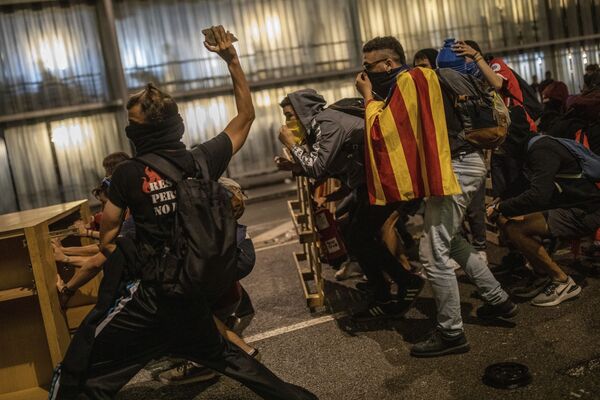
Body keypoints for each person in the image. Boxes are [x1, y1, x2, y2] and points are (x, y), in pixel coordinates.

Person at [49, 26, 317, 400]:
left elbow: (109, 240)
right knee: (226, 357)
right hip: (194, 290)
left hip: (152, 298)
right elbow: (245, 116)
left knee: (83, 366)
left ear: (136, 132)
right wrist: (232, 60)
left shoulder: (127, 173)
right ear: (175, 126)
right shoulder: (201, 159)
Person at [356, 36, 516, 357]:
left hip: (454, 168)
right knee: (452, 240)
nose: (365, 72)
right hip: (463, 164)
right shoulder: (431, 77)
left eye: (368, 66)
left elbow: (383, 132)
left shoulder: (410, 80)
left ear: (388, 63)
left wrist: (368, 98)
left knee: (432, 253)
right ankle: (499, 301)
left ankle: (452, 332)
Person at [275, 88, 423, 313]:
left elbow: (316, 166)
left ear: (303, 111)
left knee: (360, 236)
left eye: (289, 115)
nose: (286, 122)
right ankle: (382, 287)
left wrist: (291, 144)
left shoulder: (327, 124)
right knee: (354, 234)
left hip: (387, 179)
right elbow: (327, 166)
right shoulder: (319, 128)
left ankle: (403, 283)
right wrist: (295, 166)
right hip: (370, 183)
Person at [453, 40, 539, 274]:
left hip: (519, 142)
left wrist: (477, 58)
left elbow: (499, 84)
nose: (461, 64)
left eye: (464, 57)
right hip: (502, 146)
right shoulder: (470, 80)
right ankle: (518, 254)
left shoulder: (495, 66)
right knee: (504, 201)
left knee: (521, 198)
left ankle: (536, 260)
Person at [488, 133, 600, 306]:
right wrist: (501, 200)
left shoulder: (542, 150)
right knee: (507, 220)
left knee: (515, 229)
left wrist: (499, 207)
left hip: (584, 212)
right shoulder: (535, 147)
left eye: (501, 146)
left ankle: (562, 281)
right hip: (572, 208)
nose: (499, 151)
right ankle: (542, 276)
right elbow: (524, 183)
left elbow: (538, 195)